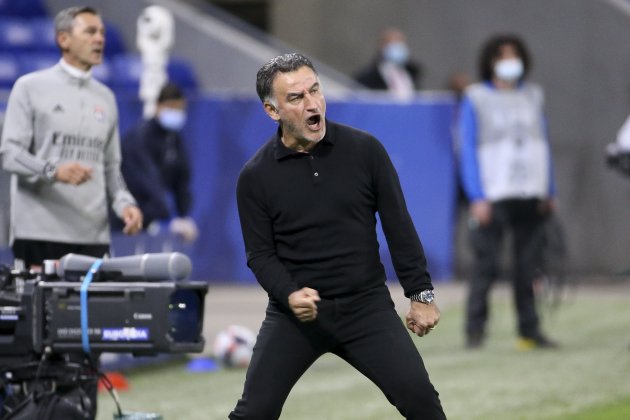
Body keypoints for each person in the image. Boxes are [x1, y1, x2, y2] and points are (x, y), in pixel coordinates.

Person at [231, 53, 446, 420]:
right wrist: (289, 293)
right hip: (295, 318)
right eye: (296, 98)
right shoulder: (255, 177)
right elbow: (260, 255)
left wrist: (421, 294)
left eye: (315, 90)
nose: (312, 103)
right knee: (254, 413)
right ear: (273, 111)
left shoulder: (366, 151)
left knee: (422, 402)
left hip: (366, 308)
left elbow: (399, 227)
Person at [0, 6, 142, 419]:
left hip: (92, 238)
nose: (100, 38)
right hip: (40, 234)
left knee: (89, 344)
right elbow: (8, 152)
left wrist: (125, 203)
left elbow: (111, 169)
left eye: (101, 31)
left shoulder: (107, 98)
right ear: (64, 39)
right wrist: (52, 170)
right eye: (90, 31)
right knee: (40, 346)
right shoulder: (31, 87)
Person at [457, 34, 558, 350]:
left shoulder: (533, 96)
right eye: (502, 56)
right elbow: (467, 148)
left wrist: (549, 189)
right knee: (486, 265)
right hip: (493, 192)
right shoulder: (475, 97)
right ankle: (475, 331)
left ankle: (529, 330)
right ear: (490, 61)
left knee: (528, 267)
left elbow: (542, 144)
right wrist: (476, 196)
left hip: (529, 192)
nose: (509, 61)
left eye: (514, 55)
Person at [118, 82, 198, 242]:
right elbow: (147, 181)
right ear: (158, 106)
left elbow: (182, 179)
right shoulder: (139, 138)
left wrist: (183, 217)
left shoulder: (174, 139)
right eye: (171, 107)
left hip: (151, 217)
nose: (176, 113)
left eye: (180, 109)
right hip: (126, 216)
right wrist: (169, 219)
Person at [354, 27, 422, 100]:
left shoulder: (413, 73)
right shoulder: (369, 77)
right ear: (382, 46)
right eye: (392, 42)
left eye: (399, 42)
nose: (397, 46)